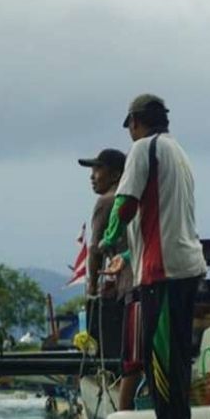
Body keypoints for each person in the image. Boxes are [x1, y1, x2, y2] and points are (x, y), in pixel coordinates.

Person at [100, 94, 207, 419]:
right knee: (177, 352)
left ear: (135, 122)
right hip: (188, 265)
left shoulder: (143, 148)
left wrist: (107, 241)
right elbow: (162, 218)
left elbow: (126, 206)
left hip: (162, 272)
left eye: (130, 126)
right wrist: (127, 254)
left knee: (157, 353)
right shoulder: (179, 153)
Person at [77, 148, 133, 362]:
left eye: (98, 169)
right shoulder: (131, 197)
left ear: (116, 175)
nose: (92, 176)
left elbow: (95, 249)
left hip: (126, 281)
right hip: (140, 277)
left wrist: (91, 289)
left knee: (115, 350)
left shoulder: (107, 201)